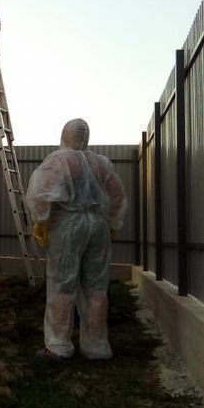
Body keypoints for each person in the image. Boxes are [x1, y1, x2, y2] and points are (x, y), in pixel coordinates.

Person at [25, 119, 127, 361]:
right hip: (98, 226)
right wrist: (112, 222)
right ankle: (97, 348)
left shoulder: (59, 161)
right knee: (96, 287)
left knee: (62, 285)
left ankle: (58, 345)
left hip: (68, 226)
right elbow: (118, 196)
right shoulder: (101, 163)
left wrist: (41, 220)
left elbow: (39, 194)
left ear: (64, 135)